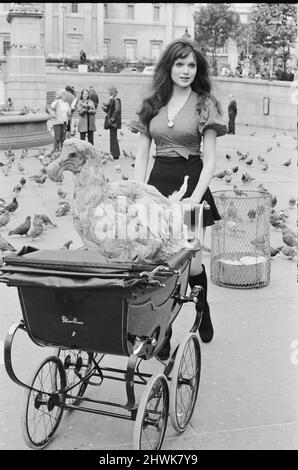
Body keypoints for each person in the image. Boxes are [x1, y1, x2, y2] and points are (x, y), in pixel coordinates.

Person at [131, 37, 227, 360]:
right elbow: (142, 156)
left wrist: (195, 199)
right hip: (159, 185)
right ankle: (165, 330)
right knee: (161, 262)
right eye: (179, 64)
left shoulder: (204, 104)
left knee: (193, 263)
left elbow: (211, 160)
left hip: (192, 184)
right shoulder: (152, 104)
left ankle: (202, 307)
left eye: (191, 65)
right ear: (168, 67)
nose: (186, 71)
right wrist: (137, 194)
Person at [102, 86, 122, 159]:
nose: (108, 93)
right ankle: (114, 153)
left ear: (112, 93)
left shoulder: (116, 100)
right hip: (113, 122)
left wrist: (111, 120)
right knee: (113, 137)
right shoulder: (113, 100)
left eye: (109, 92)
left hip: (113, 122)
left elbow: (117, 111)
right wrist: (105, 109)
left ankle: (115, 154)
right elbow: (110, 111)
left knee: (113, 138)